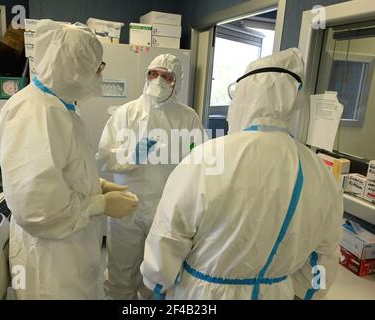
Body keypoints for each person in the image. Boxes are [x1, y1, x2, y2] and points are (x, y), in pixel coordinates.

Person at [140, 48, 344, 300]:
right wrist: (307, 293)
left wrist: (157, 284)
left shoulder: (208, 157)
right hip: (276, 293)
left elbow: (169, 234)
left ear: (246, 95)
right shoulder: (318, 173)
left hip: (204, 294)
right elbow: (324, 254)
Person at [0, 20, 138, 300]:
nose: (100, 74)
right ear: (75, 68)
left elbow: (62, 170)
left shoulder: (61, 107)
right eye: (98, 67)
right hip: (51, 259)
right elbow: (38, 208)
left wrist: (97, 185)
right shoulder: (35, 112)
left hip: (69, 251)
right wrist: (100, 204)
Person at [96, 54, 206, 300]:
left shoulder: (187, 117)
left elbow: (200, 160)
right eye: (153, 74)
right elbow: (103, 158)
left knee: (159, 270)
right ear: (146, 75)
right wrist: (131, 156)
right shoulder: (125, 113)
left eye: (166, 76)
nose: (158, 80)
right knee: (121, 269)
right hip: (127, 205)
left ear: (176, 82)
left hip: (166, 208)